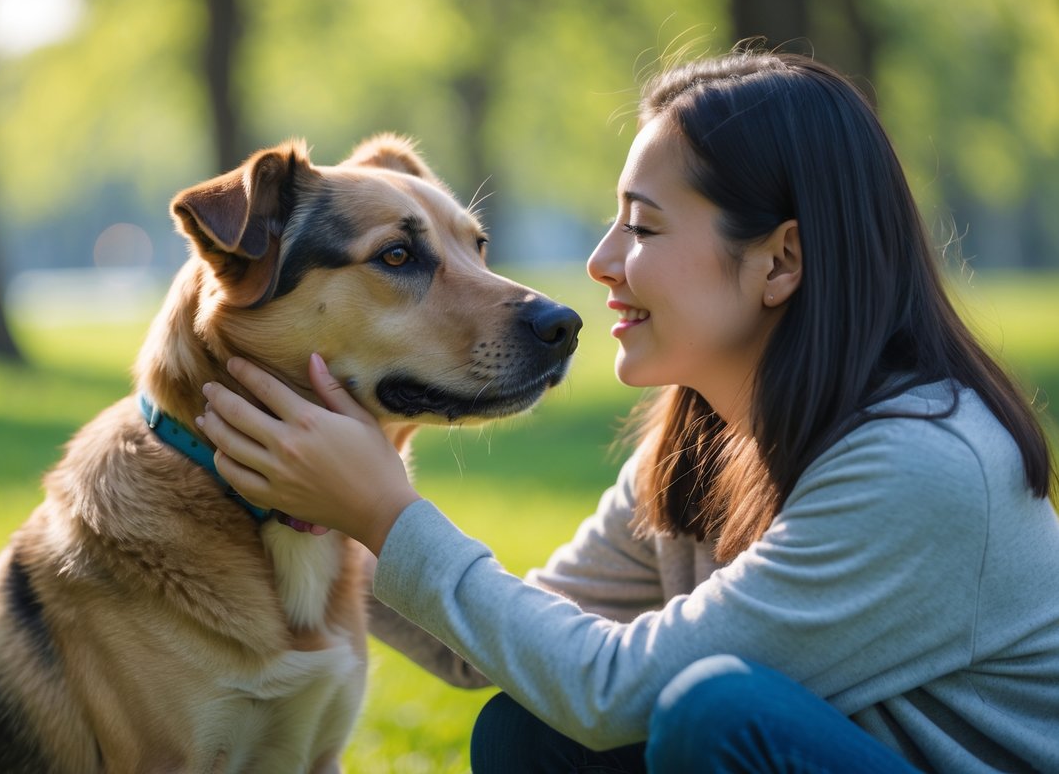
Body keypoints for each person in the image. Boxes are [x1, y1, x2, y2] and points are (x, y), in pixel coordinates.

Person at [195, 49, 1059, 772]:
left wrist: (384, 513)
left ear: (779, 260)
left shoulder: (923, 467)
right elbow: (484, 648)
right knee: (527, 733)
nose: (601, 263)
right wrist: (310, 501)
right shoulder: (701, 447)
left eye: (642, 229)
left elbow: (615, 691)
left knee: (718, 715)